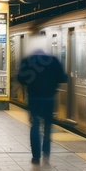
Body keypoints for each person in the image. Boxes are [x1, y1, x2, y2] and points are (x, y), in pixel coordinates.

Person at [16, 35, 68, 164]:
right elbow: (62, 78)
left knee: (35, 125)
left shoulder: (28, 60)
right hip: (49, 98)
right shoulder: (54, 60)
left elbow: (21, 79)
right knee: (48, 126)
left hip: (34, 98)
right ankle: (47, 152)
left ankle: (36, 156)